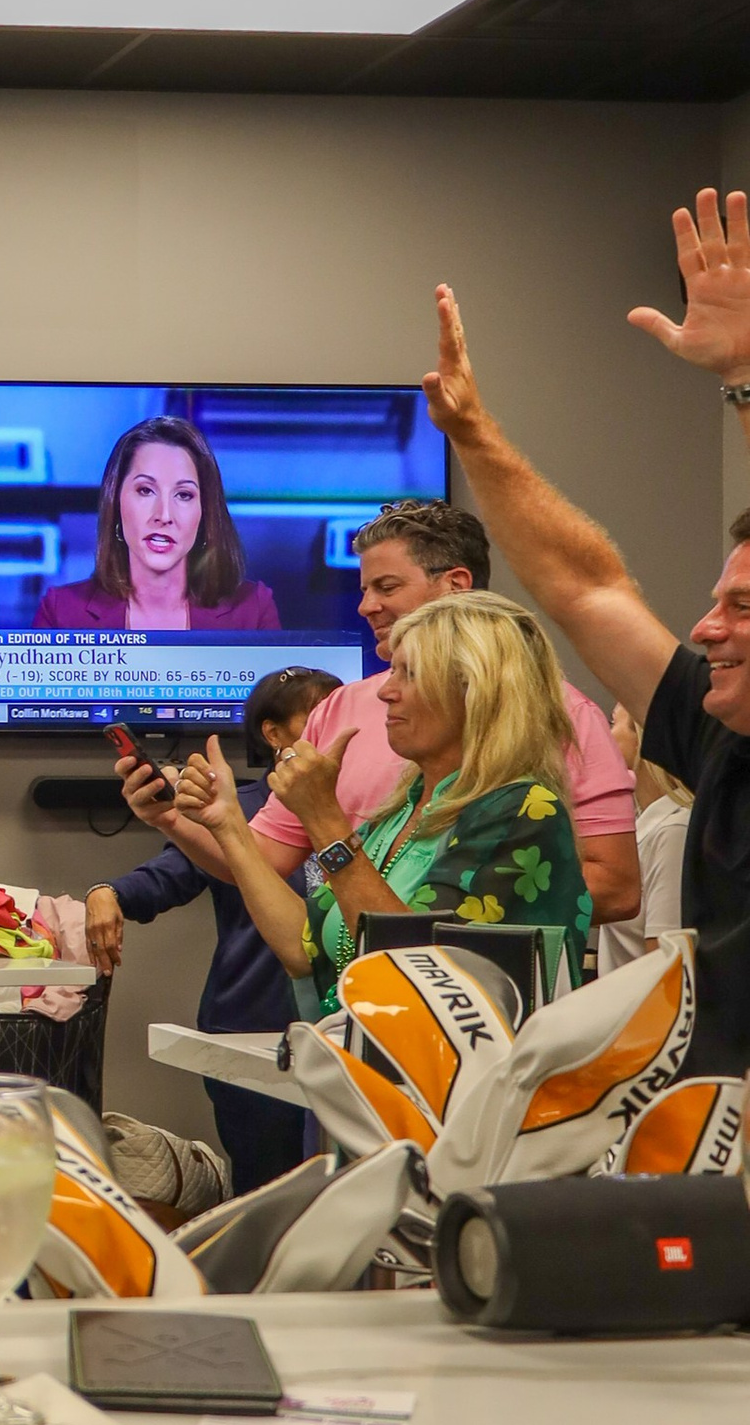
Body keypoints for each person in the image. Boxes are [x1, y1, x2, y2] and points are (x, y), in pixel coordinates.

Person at [419, 191, 750, 1068]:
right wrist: (473, 434)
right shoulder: (719, 735)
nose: (706, 628)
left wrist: (746, 379)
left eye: (742, 608)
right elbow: (584, 586)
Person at [115, 493, 640, 930]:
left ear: (455, 586)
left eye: (387, 587)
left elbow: (615, 888)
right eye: (364, 589)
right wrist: (174, 818)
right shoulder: (341, 708)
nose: (367, 606)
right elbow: (265, 863)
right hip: (342, 999)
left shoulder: (563, 718)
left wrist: (450, 904)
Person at [171, 593, 592, 1011]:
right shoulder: (403, 810)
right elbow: (304, 949)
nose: (386, 692)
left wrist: (323, 817)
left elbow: (415, 969)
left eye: (410, 674)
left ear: (475, 691)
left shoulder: (521, 808)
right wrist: (227, 826)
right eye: (393, 672)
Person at [83, 666, 338, 1192]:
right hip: (251, 1030)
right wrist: (107, 891)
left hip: (344, 1030)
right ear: (274, 734)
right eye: (322, 713)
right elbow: (171, 874)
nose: (340, 724)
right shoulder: (237, 810)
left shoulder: (369, 802)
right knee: (267, 1194)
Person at [33, 414, 279, 634]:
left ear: (204, 512)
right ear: (116, 503)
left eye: (183, 495)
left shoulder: (252, 611)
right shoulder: (62, 614)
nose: (163, 515)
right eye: (145, 490)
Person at [599, 700, 693, 974]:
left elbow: (663, 965)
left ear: (641, 739)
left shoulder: (673, 832)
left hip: (643, 1012)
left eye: (614, 724)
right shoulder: (643, 826)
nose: (606, 733)